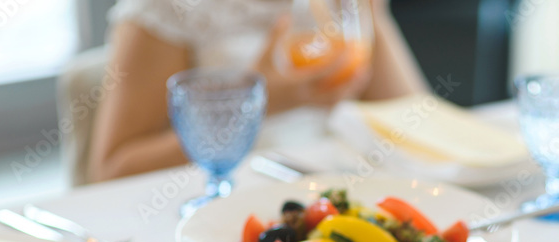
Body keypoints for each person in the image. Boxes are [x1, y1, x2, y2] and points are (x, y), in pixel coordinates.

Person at [88, 0, 427, 182]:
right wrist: (262, 101)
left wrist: (374, 19)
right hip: (221, 215)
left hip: (331, 194)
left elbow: (417, 127)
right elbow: (113, 169)